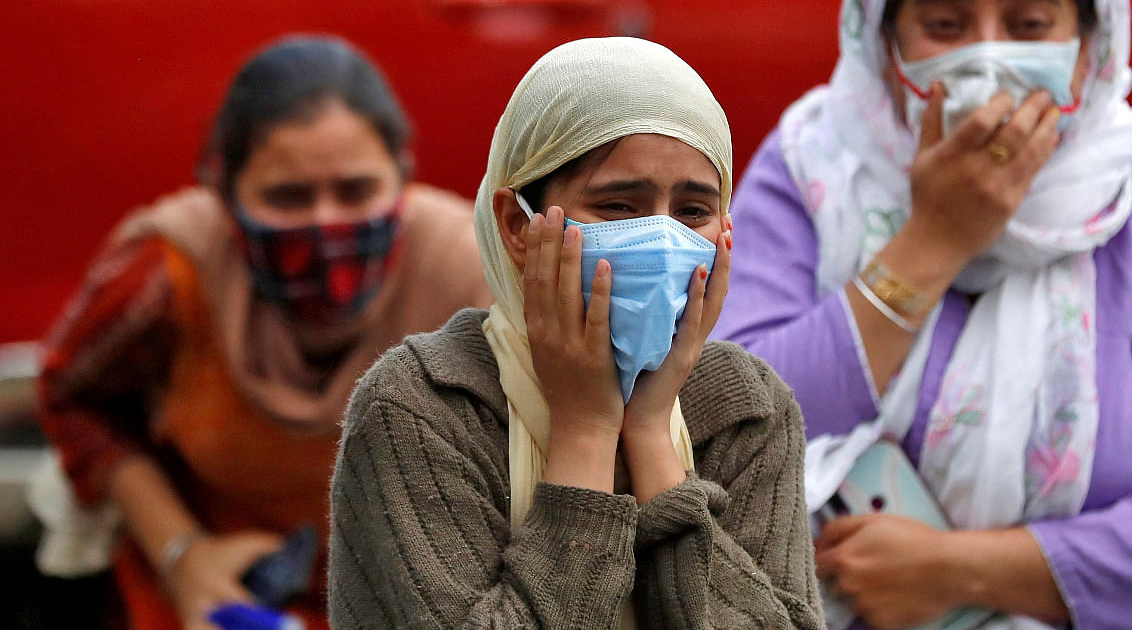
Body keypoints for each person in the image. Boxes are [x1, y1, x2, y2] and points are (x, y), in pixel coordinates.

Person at [711, 0, 1132, 628]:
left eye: (1030, 24)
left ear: (1087, 50)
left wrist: (952, 571)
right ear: (884, 48)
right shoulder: (814, 175)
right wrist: (935, 239)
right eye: (944, 24)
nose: (986, 57)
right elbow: (727, 427)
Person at [327, 37, 823, 629]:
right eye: (618, 206)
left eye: (693, 211)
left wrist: (649, 433)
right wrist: (586, 431)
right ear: (517, 224)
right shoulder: (423, 408)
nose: (662, 237)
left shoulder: (745, 406)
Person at [36, 35, 492, 630]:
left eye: (355, 192)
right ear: (226, 195)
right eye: (288, 197)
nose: (326, 225)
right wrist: (182, 555)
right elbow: (76, 398)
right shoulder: (172, 273)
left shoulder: (474, 279)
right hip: (209, 599)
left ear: (401, 178)